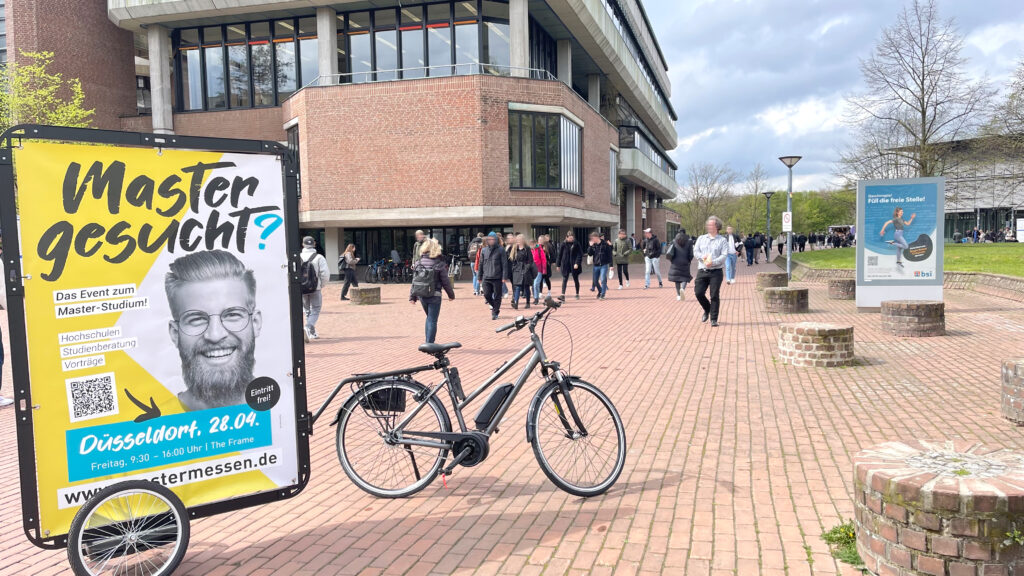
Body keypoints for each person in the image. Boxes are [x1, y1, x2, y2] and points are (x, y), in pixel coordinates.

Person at [165, 250, 263, 411]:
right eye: (196, 319)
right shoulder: (154, 422)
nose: (215, 335)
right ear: (175, 333)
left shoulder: (285, 408)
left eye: (232, 315)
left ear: (256, 323)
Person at [410, 238, 455, 344]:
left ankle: (428, 341)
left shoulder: (418, 263)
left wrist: (412, 297)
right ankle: (429, 343)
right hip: (435, 295)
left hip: (422, 294)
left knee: (429, 318)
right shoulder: (439, 264)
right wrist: (451, 295)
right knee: (432, 319)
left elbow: (414, 281)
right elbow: (446, 282)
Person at [693, 216, 729, 328]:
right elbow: (696, 251)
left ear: (717, 226)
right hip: (702, 270)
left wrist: (713, 262)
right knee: (698, 293)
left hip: (716, 272)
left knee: (714, 295)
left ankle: (714, 319)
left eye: (711, 225)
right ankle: (707, 309)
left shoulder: (722, 240)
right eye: (707, 225)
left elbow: (724, 255)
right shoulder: (701, 238)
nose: (708, 226)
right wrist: (703, 258)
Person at [299, 236, 329, 341]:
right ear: (314, 244)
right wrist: (321, 285)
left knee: (306, 310)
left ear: (303, 244)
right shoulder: (319, 257)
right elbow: (325, 274)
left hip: (301, 288)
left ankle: (311, 333)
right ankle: (308, 326)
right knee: (315, 309)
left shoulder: (297, 257)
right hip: (315, 288)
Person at [479, 232, 510, 320]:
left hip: (497, 277)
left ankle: (495, 312)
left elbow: (504, 264)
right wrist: (479, 277)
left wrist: (504, 277)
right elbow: (481, 264)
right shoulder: (484, 250)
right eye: (489, 239)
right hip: (486, 277)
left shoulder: (501, 250)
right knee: (486, 294)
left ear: (496, 240)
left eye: (493, 239)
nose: (491, 241)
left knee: (497, 296)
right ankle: (495, 307)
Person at [509, 234, 536, 310]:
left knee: (526, 286)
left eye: (519, 240)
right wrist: (514, 267)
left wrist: (527, 267)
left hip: (525, 269)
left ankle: (528, 302)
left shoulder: (527, 249)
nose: (517, 241)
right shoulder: (514, 248)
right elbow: (512, 259)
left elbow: (531, 260)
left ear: (522, 240)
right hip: (517, 269)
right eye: (517, 240)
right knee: (517, 286)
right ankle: (516, 303)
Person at [666, 230, 693, 301]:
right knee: (685, 277)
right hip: (685, 262)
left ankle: (678, 295)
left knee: (677, 279)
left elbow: (671, 252)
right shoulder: (689, 241)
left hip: (675, 262)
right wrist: (689, 260)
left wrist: (672, 260)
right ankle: (682, 289)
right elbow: (691, 254)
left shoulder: (674, 241)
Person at [556, 231, 584, 300]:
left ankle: (577, 293)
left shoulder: (576, 244)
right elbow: (559, 255)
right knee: (565, 279)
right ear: (566, 237)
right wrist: (558, 265)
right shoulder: (563, 244)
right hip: (565, 264)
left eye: (572, 238)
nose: (571, 239)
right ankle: (562, 295)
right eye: (570, 238)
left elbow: (580, 254)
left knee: (575, 279)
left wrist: (577, 263)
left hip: (574, 264)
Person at [587, 231, 612, 299]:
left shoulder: (605, 244)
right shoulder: (593, 245)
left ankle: (603, 294)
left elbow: (609, 255)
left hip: (604, 265)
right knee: (595, 281)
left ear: (596, 237)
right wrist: (590, 246)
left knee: (603, 279)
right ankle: (600, 290)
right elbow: (589, 254)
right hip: (596, 265)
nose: (592, 240)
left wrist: (611, 265)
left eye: (592, 238)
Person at [531, 238, 548, 304]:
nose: (532, 246)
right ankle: (536, 297)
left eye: (533, 244)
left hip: (539, 269)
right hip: (532, 270)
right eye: (531, 244)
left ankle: (536, 298)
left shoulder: (540, 250)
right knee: (534, 285)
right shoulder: (530, 250)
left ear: (535, 243)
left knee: (536, 284)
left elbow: (544, 260)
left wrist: (544, 270)